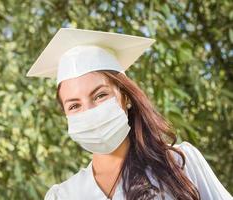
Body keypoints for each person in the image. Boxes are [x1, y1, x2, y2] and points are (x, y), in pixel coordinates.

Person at [26, 28, 232, 200]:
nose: (89, 112)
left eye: (100, 96)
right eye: (74, 106)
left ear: (126, 97)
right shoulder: (64, 196)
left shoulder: (180, 164)